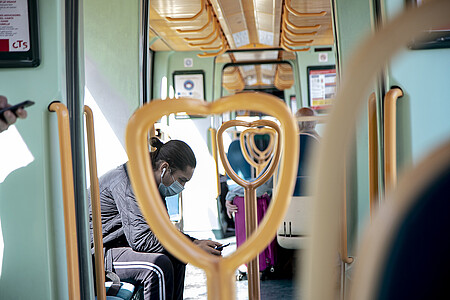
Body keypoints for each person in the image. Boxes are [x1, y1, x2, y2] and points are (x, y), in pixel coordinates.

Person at [89, 137, 223, 300]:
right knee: (158, 266)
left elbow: (163, 231)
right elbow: (141, 240)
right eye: (181, 180)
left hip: (118, 246)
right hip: (98, 253)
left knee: (178, 257)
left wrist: (194, 242)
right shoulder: (130, 182)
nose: (182, 187)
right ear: (164, 168)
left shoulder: (152, 183)